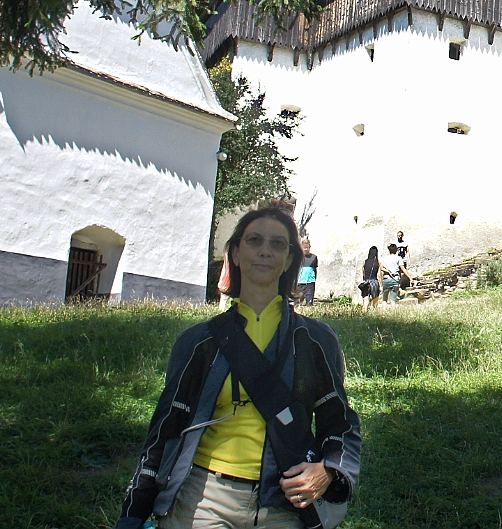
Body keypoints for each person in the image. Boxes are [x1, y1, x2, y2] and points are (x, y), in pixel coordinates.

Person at [115, 206, 360, 529]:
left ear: (289, 260)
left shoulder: (316, 340)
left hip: (284, 502)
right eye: (254, 240)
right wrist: (133, 513)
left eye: (277, 244)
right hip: (202, 500)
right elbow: (165, 430)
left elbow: (340, 422)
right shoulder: (199, 342)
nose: (264, 251)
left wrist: (327, 470)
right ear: (235, 251)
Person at [297, 234, 318, 307]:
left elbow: (315, 269)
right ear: (301, 247)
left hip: (310, 281)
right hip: (300, 281)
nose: (306, 249)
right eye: (304, 248)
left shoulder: (314, 257)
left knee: (309, 301)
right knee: (298, 300)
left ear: (310, 247)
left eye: (307, 247)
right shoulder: (298, 257)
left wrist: (314, 279)